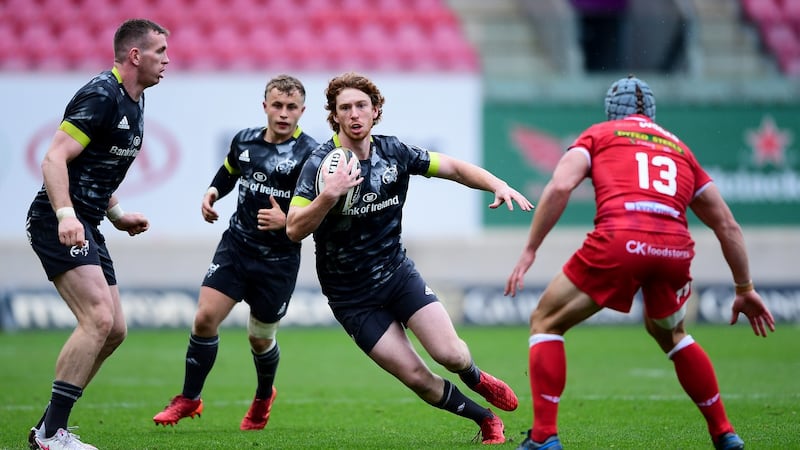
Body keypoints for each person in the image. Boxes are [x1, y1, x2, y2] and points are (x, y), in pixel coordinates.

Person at [504, 75, 776, 450]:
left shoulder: (599, 135)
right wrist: (744, 288)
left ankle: (544, 436)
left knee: (546, 320)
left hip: (620, 241)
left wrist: (531, 249)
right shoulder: (679, 148)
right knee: (672, 335)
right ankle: (724, 432)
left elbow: (561, 185)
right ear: (651, 113)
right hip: (674, 251)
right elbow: (727, 224)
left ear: (610, 111)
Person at [285, 71, 534, 445]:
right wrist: (328, 196)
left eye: (361, 106)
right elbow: (293, 229)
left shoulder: (393, 152)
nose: (354, 114)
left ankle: (476, 377)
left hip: (397, 275)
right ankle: (485, 419)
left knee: (451, 354)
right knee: (418, 378)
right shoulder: (320, 164)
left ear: (376, 110)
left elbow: (453, 168)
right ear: (334, 115)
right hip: (351, 297)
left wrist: (497, 184)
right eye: (345, 108)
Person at [25, 18, 170, 450]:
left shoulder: (135, 100)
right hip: (58, 220)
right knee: (98, 319)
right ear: (135, 56)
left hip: (89, 220)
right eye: (160, 51)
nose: (167, 60)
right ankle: (51, 435)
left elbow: (96, 169)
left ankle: (47, 427)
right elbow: (54, 159)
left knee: (115, 329)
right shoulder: (101, 94)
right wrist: (65, 215)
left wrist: (119, 215)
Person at [152, 75, 318, 430]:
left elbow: (322, 210)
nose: (283, 113)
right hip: (237, 247)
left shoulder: (312, 155)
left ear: (302, 111)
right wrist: (212, 192)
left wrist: (287, 219)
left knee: (260, 339)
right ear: (265, 106)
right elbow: (229, 170)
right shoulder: (244, 140)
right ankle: (189, 398)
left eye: (291, 107)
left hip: (279, 260)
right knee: (204, 318)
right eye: (277, 105)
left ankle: (263, 396)